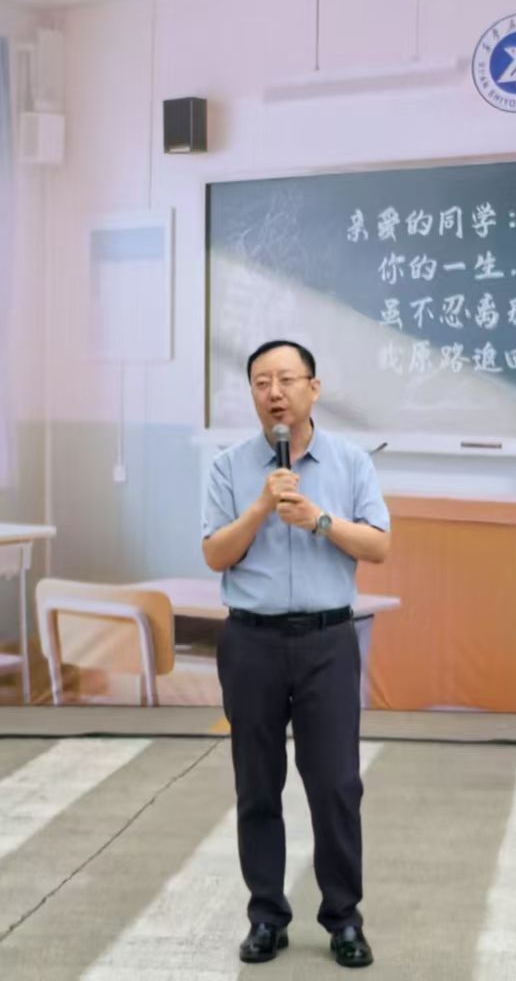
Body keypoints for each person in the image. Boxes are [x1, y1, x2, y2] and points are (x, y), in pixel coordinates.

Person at [202, 339, 391, 969]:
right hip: (251, 641)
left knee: (335, 784)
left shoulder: (350, 462)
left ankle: (343, 919)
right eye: (261, 382)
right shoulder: (229, 467)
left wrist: (319, 520)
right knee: (257, 783)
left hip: (326, 642)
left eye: (286, 379)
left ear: (314, 387)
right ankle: (266, 916)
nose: (274, 393)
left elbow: (379, 546)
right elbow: (215, 554)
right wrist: (262, 505)